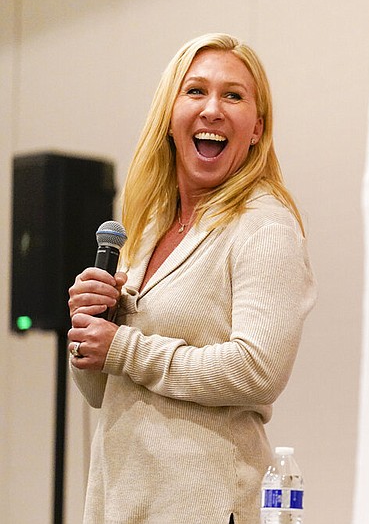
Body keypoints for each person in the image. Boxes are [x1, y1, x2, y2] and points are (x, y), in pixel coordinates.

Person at [66, 33, 317, 524]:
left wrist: (122, 347)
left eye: (234, 95)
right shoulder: (146, 227)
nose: (213, 109)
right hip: (119, 504)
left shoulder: (263, 224)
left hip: (206, 506)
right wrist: (88, 329)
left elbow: (258, 371)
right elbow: (101, 392)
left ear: (256, 129)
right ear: (169, 116)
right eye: (196, 91)